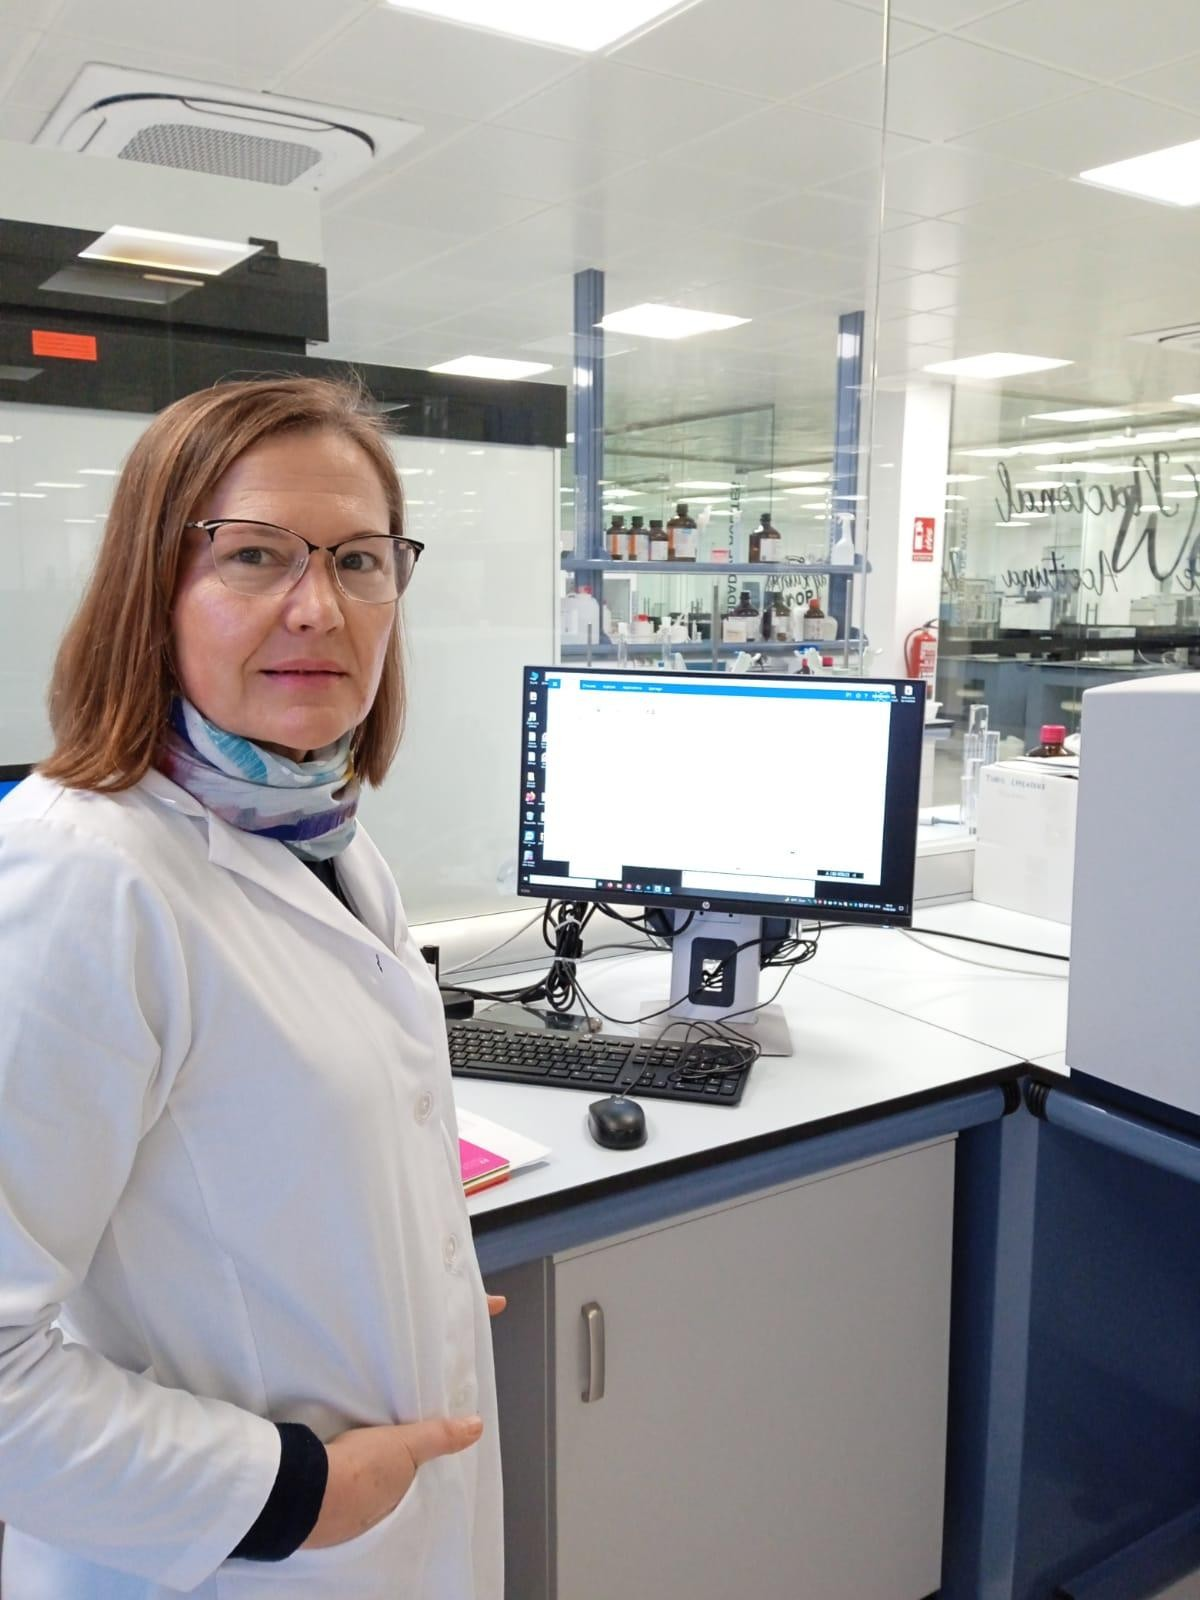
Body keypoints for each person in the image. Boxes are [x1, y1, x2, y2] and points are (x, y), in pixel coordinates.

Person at [0, 375, 505, 1598]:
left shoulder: (320, 834)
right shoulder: (83, 878)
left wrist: (409, 1289)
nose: (319, 606)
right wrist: (289, 1493)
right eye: (255, 555)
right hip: (229, 1561)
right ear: (152, 587)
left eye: (359, 559)